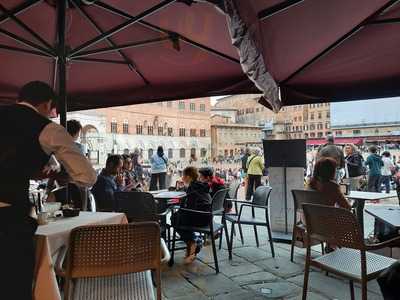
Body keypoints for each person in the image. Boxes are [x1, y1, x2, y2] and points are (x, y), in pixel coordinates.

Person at [0, 81, 97, 300]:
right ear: (47, 104)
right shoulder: (46, 128)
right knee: (13, 288)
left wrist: (26, 171)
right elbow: (87, 177)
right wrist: (59, 175)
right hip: (8, 220)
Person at [172, 167, 212, 264]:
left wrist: (179, 206)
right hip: (207, 217)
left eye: (184, 175)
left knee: (174, 219)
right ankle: (194, 241)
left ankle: (193, 242)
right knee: (178, 217)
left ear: (189, 177)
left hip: (200, 217)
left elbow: (190, 208)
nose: (182, 178)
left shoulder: (193, 188)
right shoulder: (200, 185)